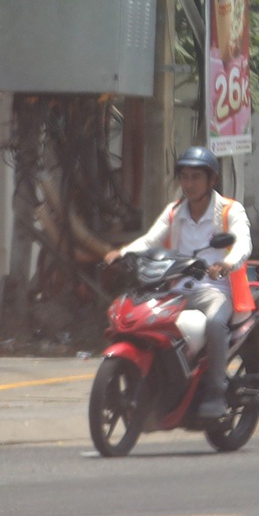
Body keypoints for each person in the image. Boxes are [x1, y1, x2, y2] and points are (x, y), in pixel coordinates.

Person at [104, 147, 249, 420]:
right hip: (176, 288)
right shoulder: (174, 212)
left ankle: (215, 392)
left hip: (215, 289)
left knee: (215, 324)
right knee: (145, 322)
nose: (189, 184)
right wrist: (123, 254)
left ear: (211, 180)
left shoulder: (231, 210)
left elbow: (243, 242)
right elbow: (150, 240)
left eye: (196, 177)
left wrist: (228, 263)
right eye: (184, 177)